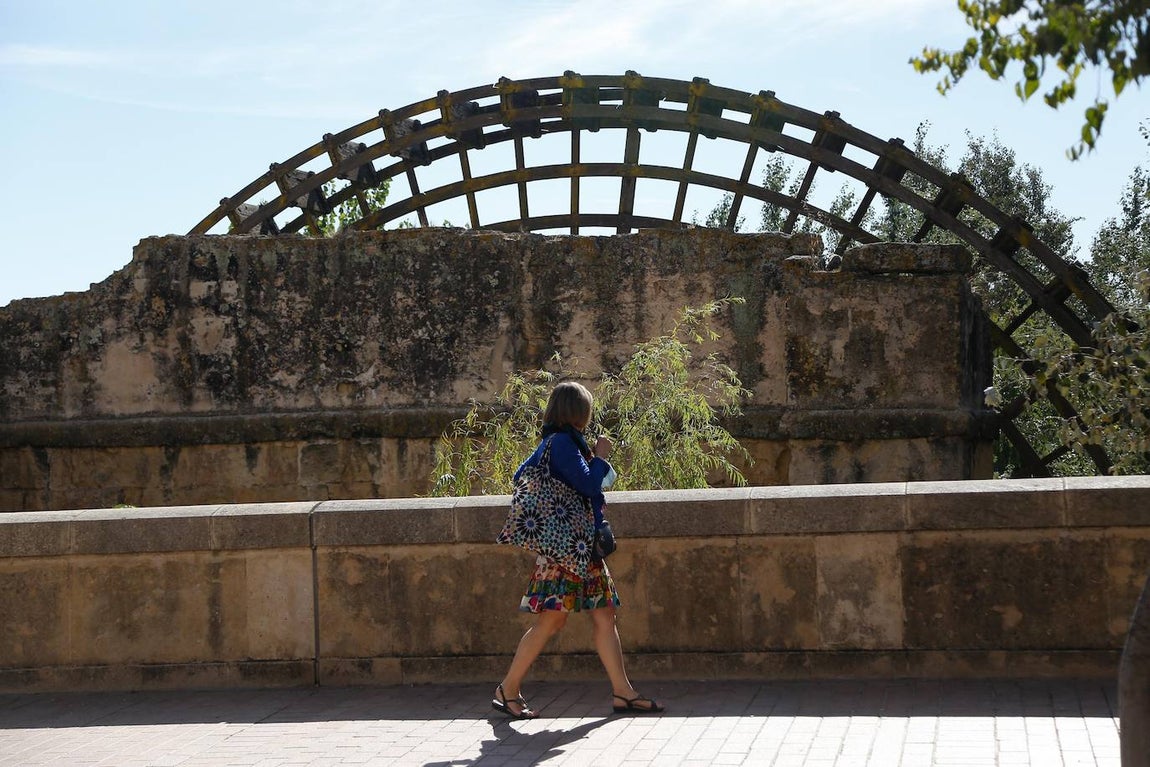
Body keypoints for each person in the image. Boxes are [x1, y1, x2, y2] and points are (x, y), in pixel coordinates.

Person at [492, 380, 665, 719]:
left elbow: (521, 474)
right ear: (578, 413)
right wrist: (600, 457)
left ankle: (623, 692)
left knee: (604, 615)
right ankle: (508, 688)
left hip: (579, 550)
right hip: (566, 552)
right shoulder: (561, 444)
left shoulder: (559, 443)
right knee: (551, 621)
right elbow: (588, 484)